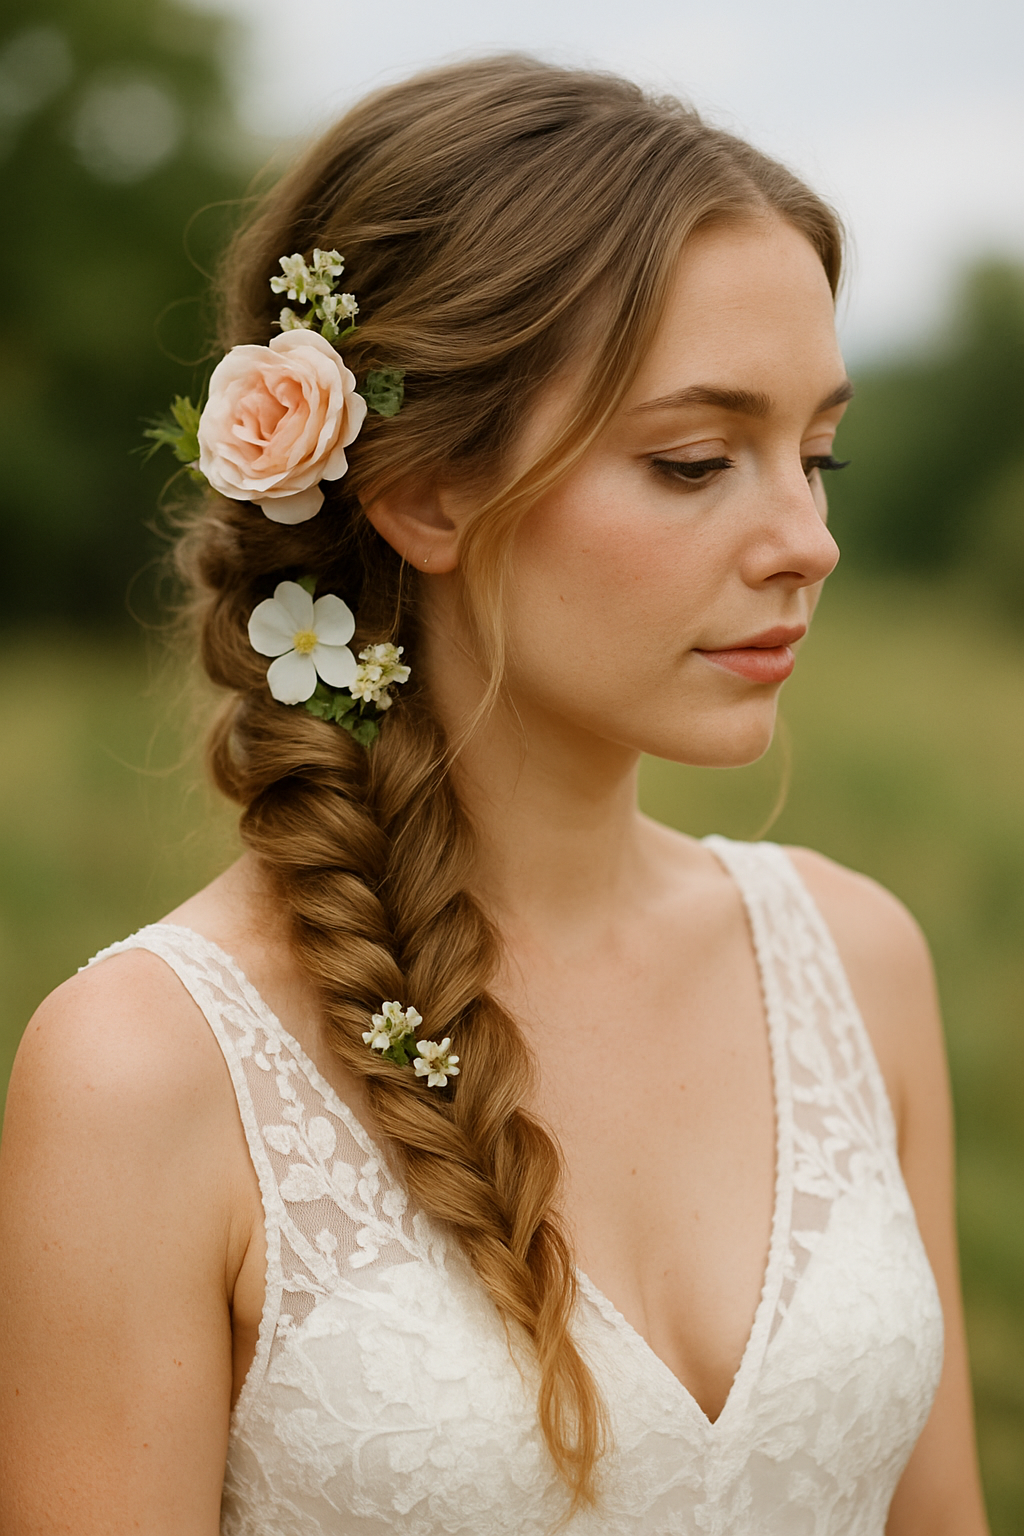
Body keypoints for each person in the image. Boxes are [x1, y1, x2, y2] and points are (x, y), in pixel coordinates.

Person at [0, 55, 989, 1535]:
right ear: (423, 489)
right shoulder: (145, 1075)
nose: (807, 537)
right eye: (697, 459)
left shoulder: (858, 966)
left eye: (819, 451)